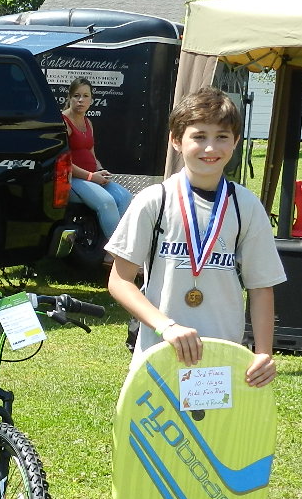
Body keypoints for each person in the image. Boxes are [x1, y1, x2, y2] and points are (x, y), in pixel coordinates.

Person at [106, 87, 286, 387]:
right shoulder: (154, 200)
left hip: (222, 360)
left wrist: (264, 353)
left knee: (214, 421)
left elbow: (260, 287)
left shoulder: (246, 206)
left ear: (236, 142)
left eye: (222, 137)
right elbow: (119, 281)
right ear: (176, 140)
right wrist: (166, 327)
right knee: (159, 421)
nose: (210, 148)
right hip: (159, 354)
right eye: (199, 136)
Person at [63, 76, 133, 239]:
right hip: (73, 180)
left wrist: (100, 170)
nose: (81, 100)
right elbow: (64, 162)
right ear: (70, 98)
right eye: (76, 96)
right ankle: (116, 248)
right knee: (106, 202)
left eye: (85, 96)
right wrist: (91, 176)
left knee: (125, 197)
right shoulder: (63, 122)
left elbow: (91, 152)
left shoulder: (88, 122)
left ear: (91, 100)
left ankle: (108, 246)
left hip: (92, 177)